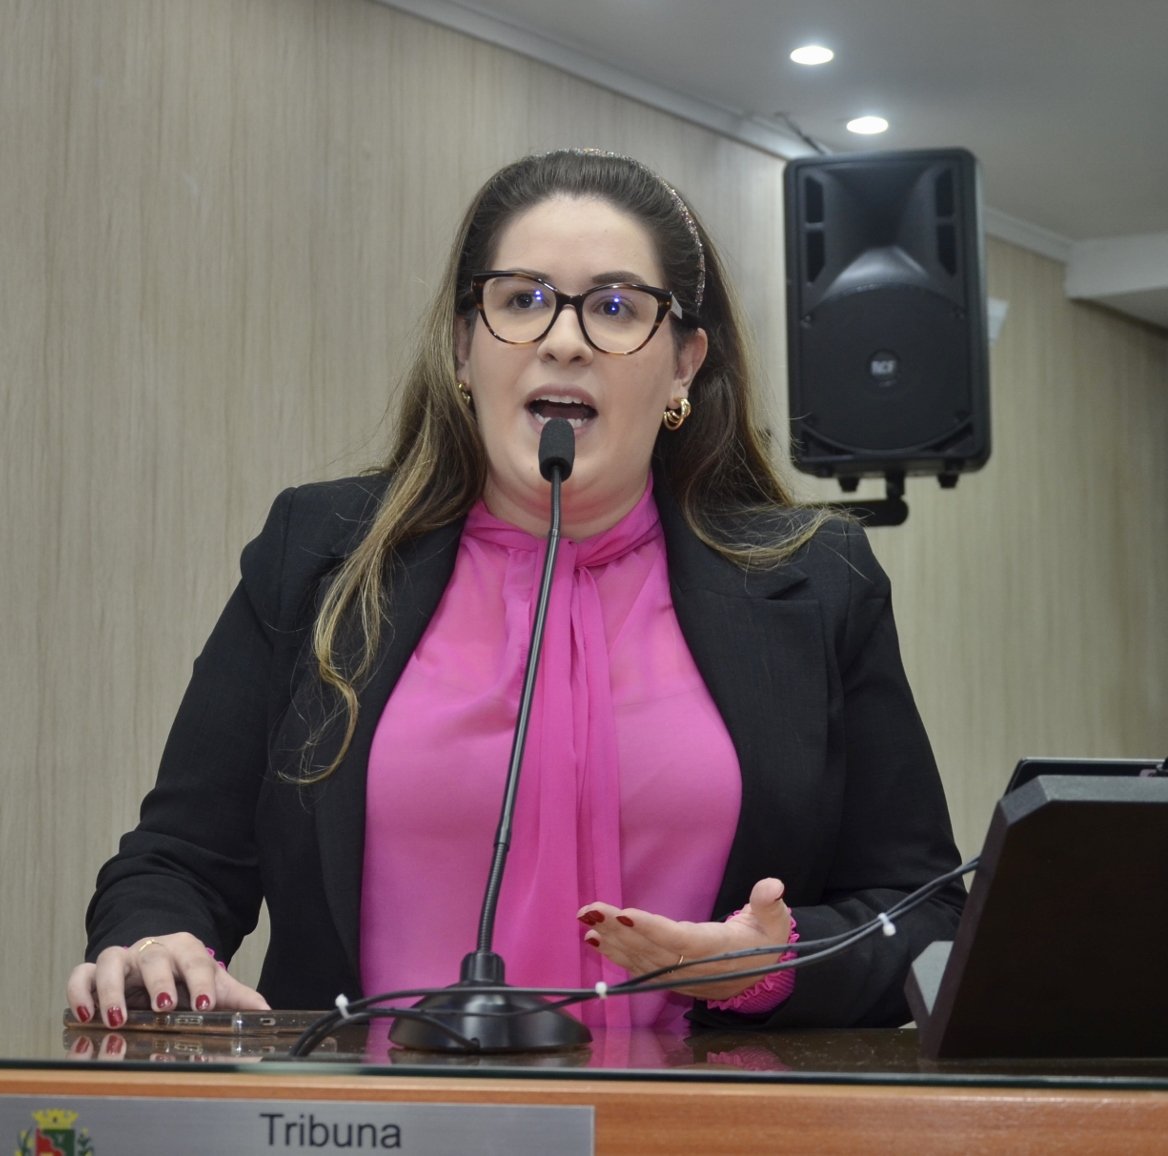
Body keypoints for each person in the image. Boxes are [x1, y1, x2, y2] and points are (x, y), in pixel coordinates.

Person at [68, 149, 965, 1035]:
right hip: (369, 1112)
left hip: (693, 1109)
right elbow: (178, 860)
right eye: (522, 300)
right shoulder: (318, 553)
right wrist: (157, 942)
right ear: (465, 347)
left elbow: (926, 916)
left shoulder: (817, 584)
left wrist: (769, 965)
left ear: (684, 364)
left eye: (616, 307)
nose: (563, 340)